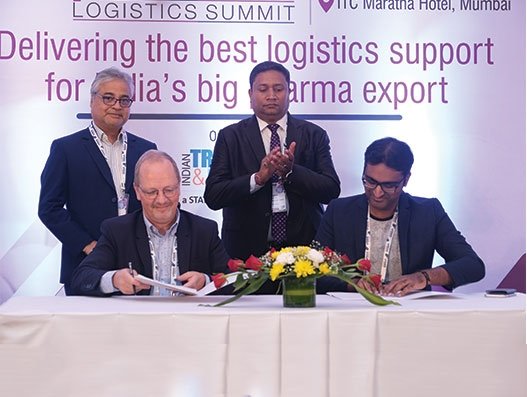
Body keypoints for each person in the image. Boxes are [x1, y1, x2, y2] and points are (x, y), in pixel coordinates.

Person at [204, 61, 341, 265]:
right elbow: (213, 196)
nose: (271, 95)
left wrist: (291, 172)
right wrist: (258, 178)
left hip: (304, 253)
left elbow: (331, 190)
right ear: (251, 94)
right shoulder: (231, 137)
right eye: (263, 89)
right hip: (246, 253)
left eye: (278, 89)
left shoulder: (314, 134)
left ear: (289, 92)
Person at [316, 137, 485, 296]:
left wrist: (423, 277)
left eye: (389, 186)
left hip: (411, 315)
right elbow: (314, 272)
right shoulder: (339, 211)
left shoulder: (427, 212)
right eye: (370, 181)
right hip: (353, 314)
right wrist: (350, 283)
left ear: (406, 179)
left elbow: (472, 265)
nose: (377, 192)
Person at [38, 67, 157, 294]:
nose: (116, 105)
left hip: (138, 267)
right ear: (92, 101)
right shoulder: (66, 149)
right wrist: (88, 245)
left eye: (124, 100)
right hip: (86, 265)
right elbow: (49, 208)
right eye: (108, 98)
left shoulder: (146, 149)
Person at [69, 150, 230, 296]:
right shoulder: (117, 231)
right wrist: (115, 280)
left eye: (169, 190)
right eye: (152, 192)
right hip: (137, 324)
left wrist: (205, 281)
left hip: (190, 323)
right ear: (137, 191)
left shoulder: (204, 230)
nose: (161, 200)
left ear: (179, 187)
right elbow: (81, 278)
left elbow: (234, 282)